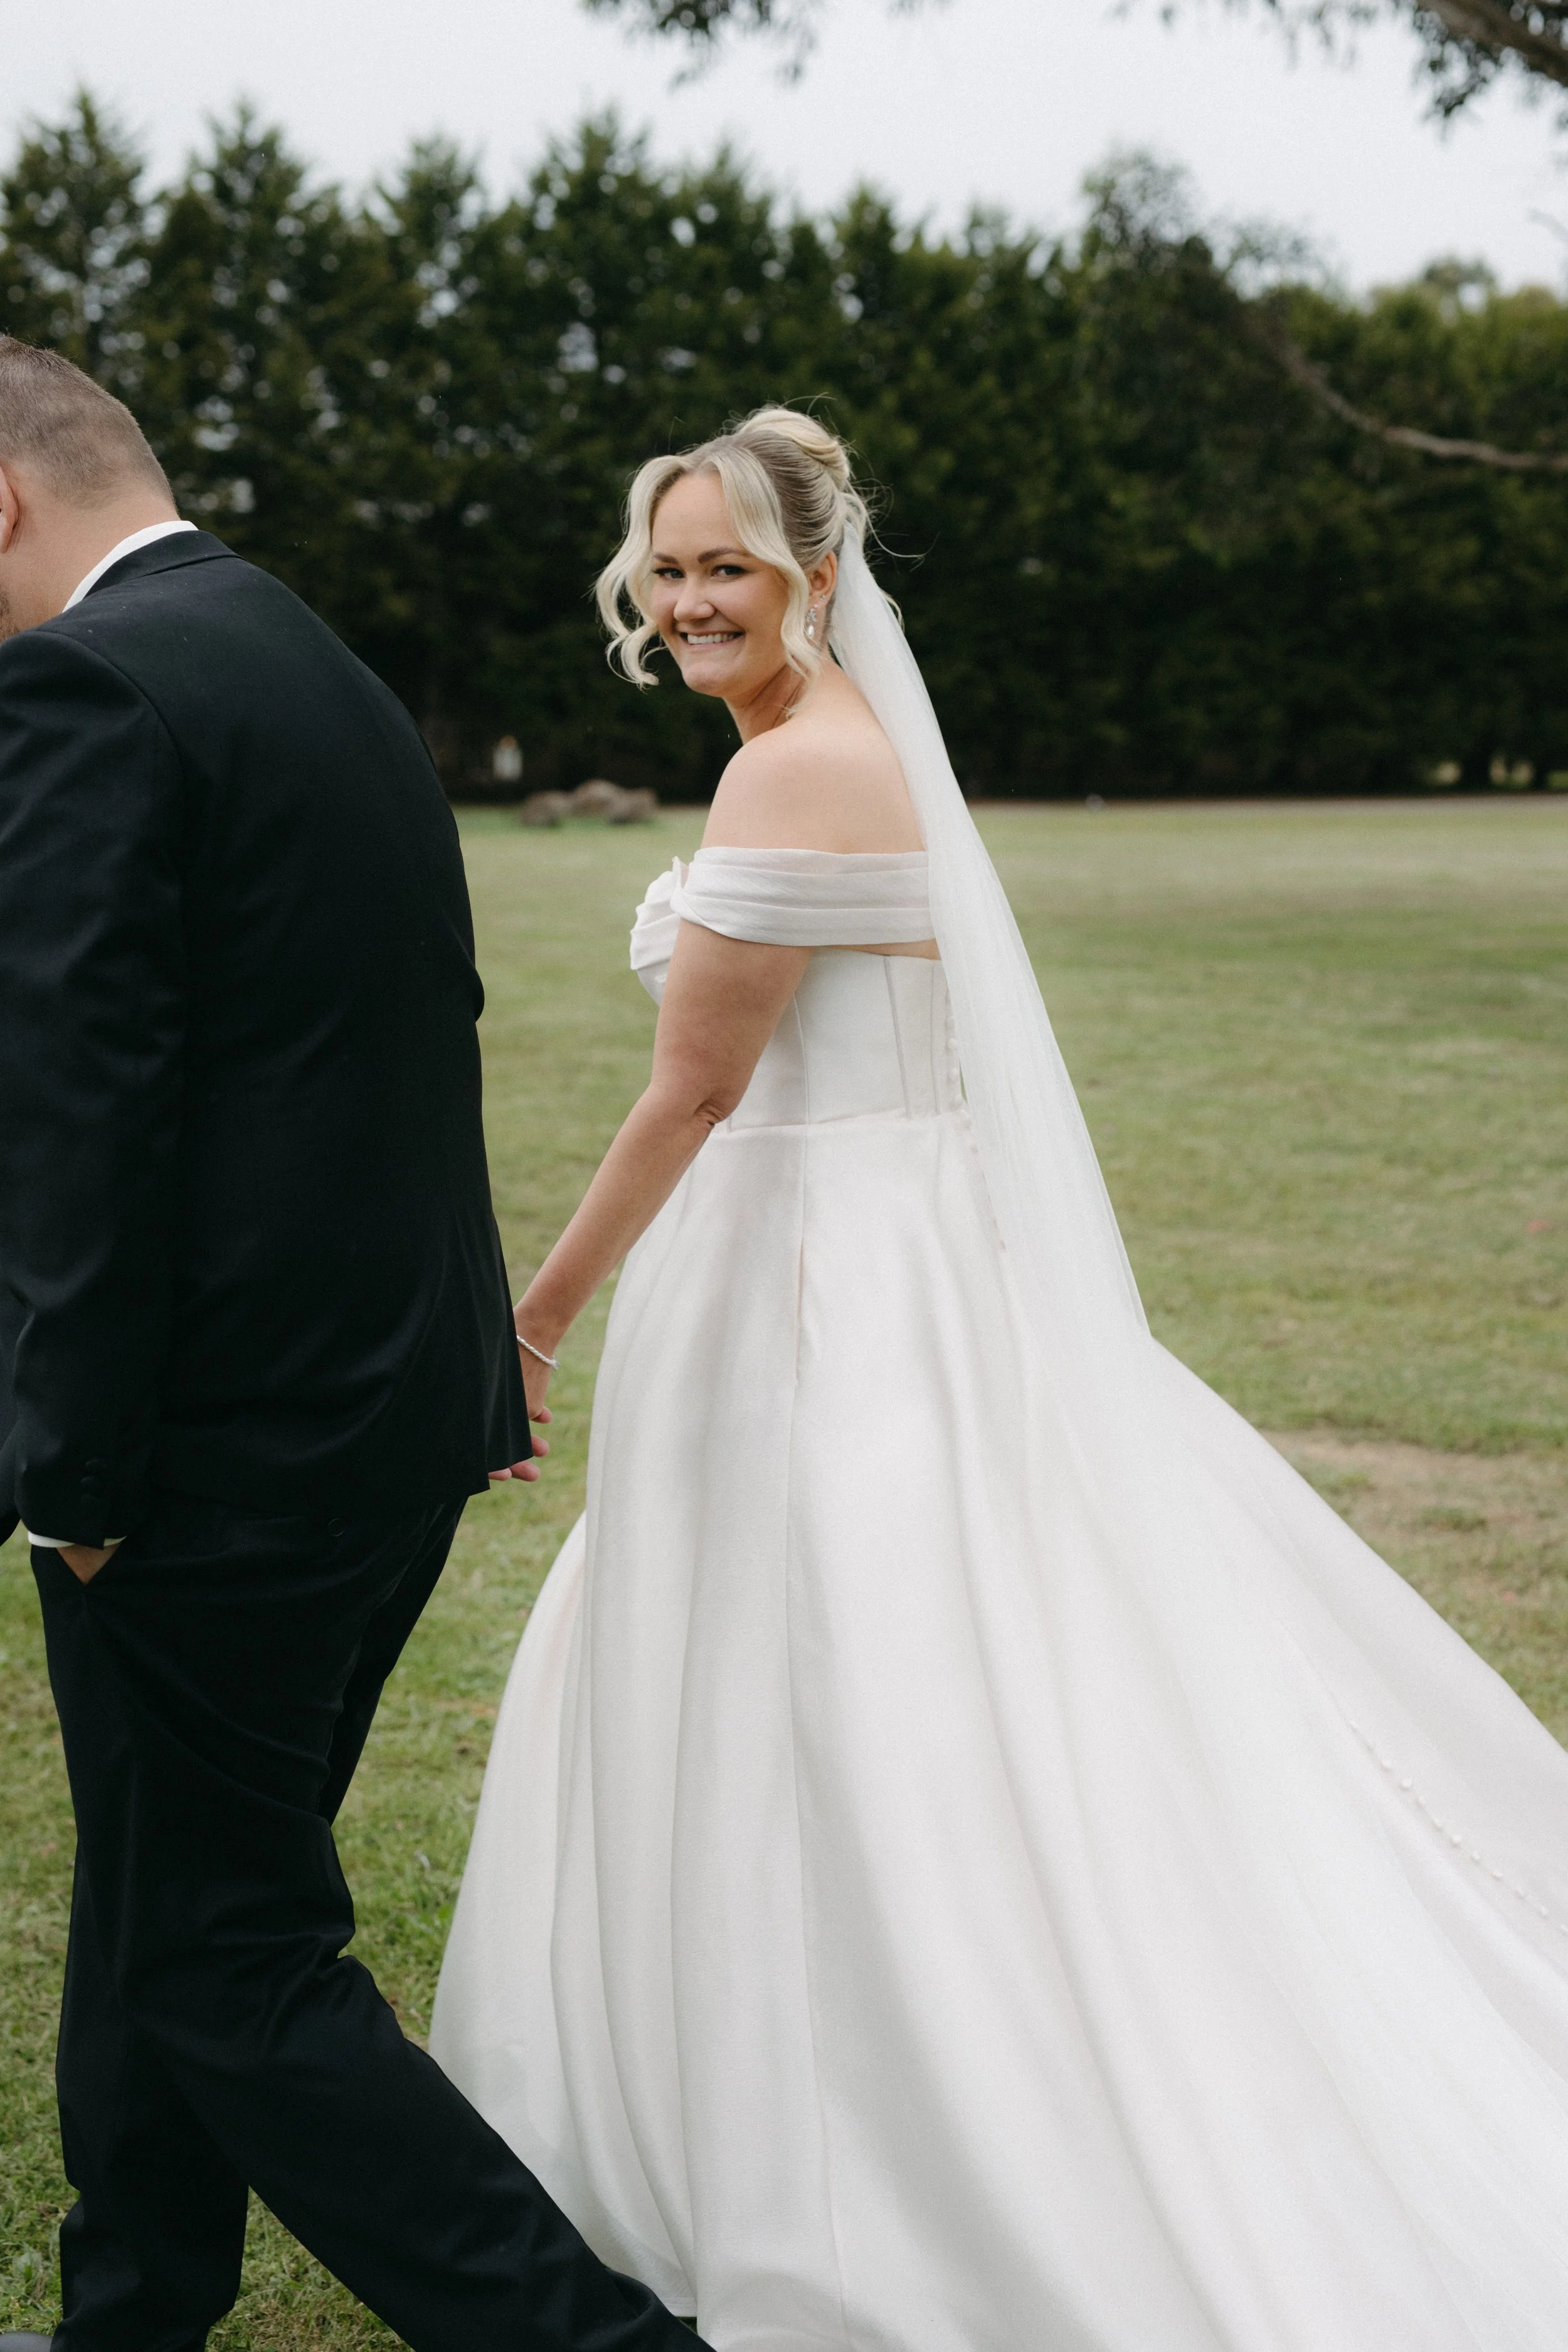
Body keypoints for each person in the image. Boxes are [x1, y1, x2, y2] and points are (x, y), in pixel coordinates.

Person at [432, 405, 1568, 2349]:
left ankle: (891, 2137)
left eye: (728, 567)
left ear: (810, 573)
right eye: (671, 567)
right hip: (899, 1247)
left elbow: (693, 1091)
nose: (695, 599)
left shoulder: (793, 777)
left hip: (818, 1276)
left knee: (846, 1689)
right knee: (920, 1664)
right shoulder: (837, 750)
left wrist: (524, 1322)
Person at [0, 336, 709, 2352]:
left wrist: (79, 1473)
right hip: (384, 1416)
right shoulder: (297, 649)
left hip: (215, 1459)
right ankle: (134, 2311)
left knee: (227, 1949)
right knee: (171, 1896)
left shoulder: (80, 682)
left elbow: (79, 1113)